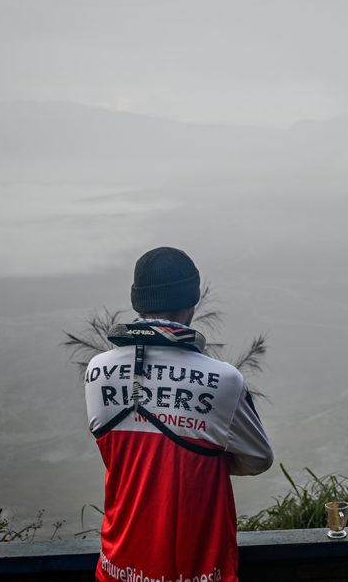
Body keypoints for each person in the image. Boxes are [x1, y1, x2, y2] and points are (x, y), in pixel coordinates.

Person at [85, 247, 274, 582]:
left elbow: (118, 454)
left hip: (119, 568)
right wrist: (204, 458)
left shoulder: (98, 371)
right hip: (200, 572)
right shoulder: (225, 380)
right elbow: (259, 458)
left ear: (137, 302)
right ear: (193, 302)